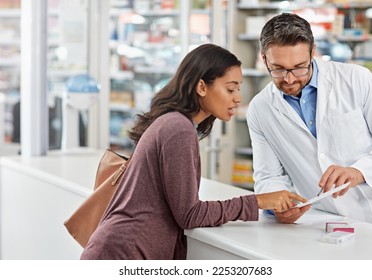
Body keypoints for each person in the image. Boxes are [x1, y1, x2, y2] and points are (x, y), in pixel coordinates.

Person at [81, 44, 306, 260]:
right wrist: (257, 201)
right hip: (124, 253)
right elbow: (189, 214)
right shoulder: (178, 129)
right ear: (201, 87)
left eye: (238, 88)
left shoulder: (173, 123)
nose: (238, 97)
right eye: (230, 88)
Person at [247, 13, 372, 227]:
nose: (289, 78)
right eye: (278, 68)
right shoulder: (260, 108)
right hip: (323, 221)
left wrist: (359, 171)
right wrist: (277, 206)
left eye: (299, 67)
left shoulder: (356, 79)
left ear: (313, 52)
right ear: (264, 58)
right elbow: (268, 177)